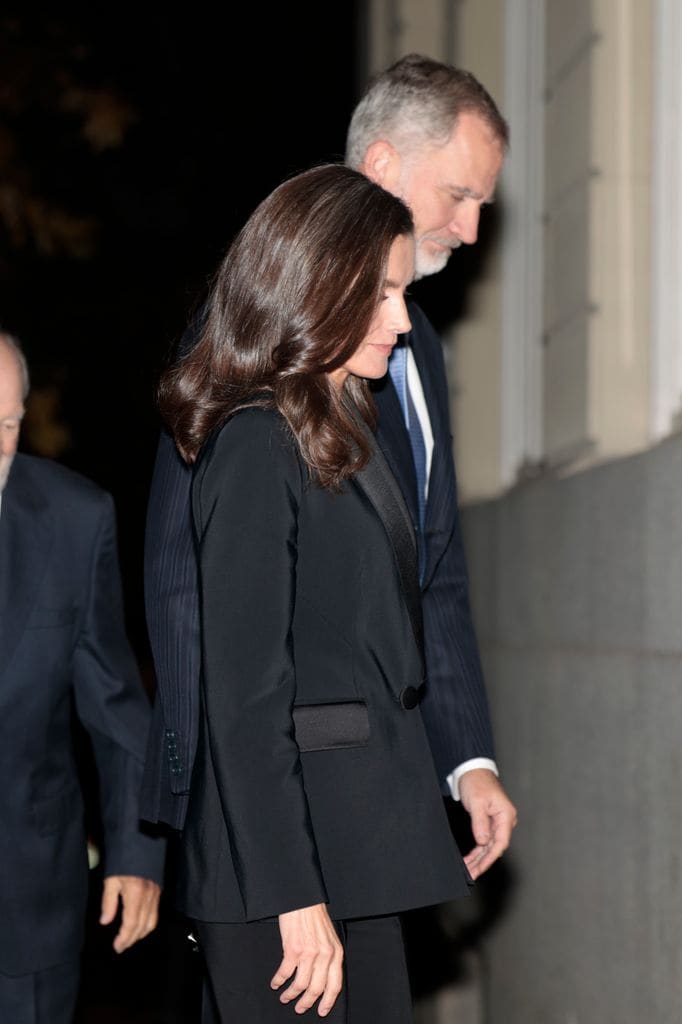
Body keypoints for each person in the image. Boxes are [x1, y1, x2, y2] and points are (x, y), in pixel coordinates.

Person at [141, 53, 516, 880]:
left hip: (382, 791)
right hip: (265, 803)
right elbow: (183, 569)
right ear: (383, 166)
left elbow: (433, 575)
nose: (472, 228)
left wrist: (466, 758)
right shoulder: (252, 335)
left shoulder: (420, 353)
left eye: (482, 203)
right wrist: (208, 792)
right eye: (460, 194)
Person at [158, 162, 473, 1022]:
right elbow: (246, 699)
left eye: (402, 293)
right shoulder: (259, 444)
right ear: (314, 288)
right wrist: (295, 898)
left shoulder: (339, 428)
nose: (402, 322)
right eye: (379, 296)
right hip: (288, 882)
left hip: (350, 850)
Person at [0, 332, 165, 1024]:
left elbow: (115, 704)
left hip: (25, 904)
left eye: (6, 424)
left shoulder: (74, 519)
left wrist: (137, 851)